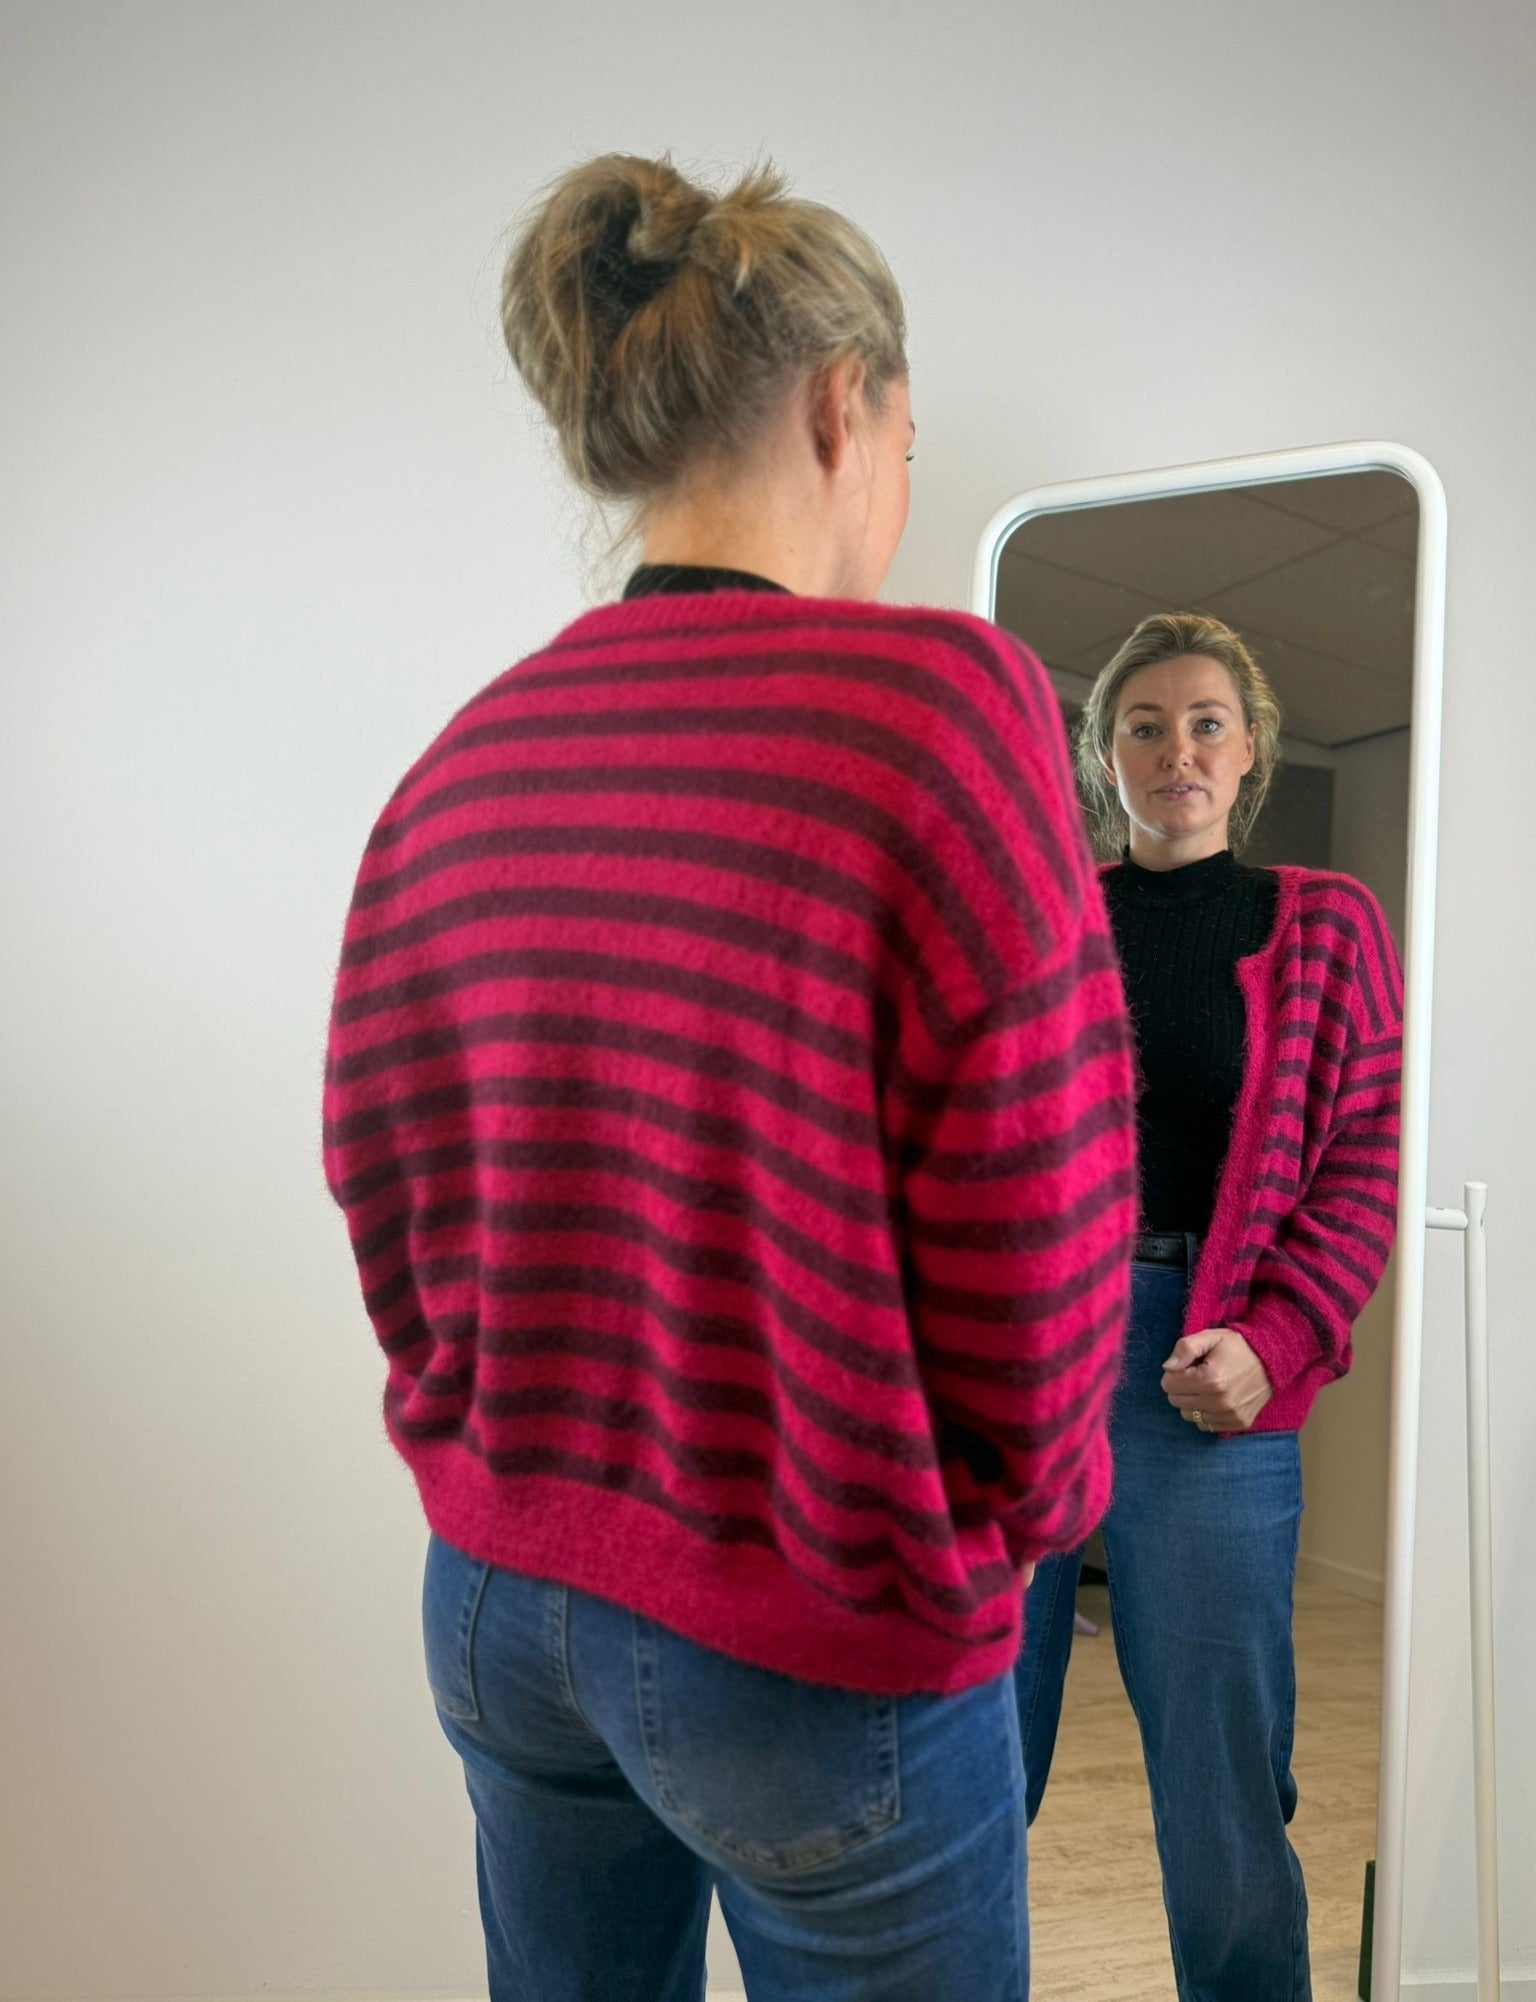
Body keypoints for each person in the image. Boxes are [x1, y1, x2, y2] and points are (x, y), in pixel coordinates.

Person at [323, 153, 1138, 2002]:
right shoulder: (943, 703)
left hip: (495, 1599)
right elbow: (1042, 1222)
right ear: (845, 406)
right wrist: (1025, 1518)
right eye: (914, 439)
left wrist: (485, 1441)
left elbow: (381, 1175)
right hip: (813, 1620)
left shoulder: (464, 761)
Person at [1013, 611, 1403, 2001]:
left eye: (1207, 721)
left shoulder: (1324, 925)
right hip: (1032, 1360)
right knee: (971, 1755)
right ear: (1102, 753)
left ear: (1250, 751)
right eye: (1144, 723)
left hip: (1213, 1367)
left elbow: (1362, 1162)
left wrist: (1278, 1338)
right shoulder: (1047, 913)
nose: (1178, 747)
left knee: (1226, 1782)